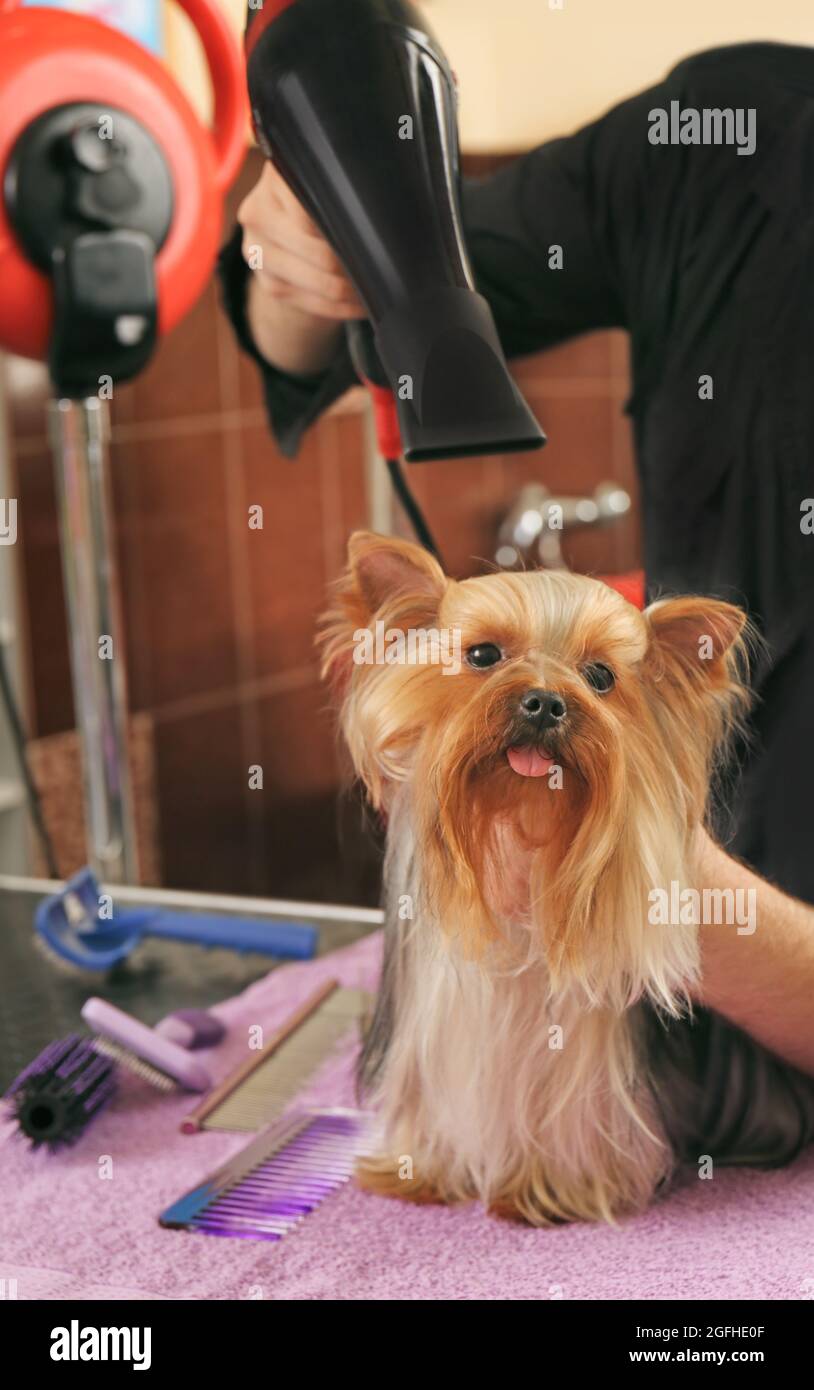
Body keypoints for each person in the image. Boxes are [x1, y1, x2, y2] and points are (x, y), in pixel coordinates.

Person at [218, 43, 814, 1082]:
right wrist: (300, 248)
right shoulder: (726, 127)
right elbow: (361, 298)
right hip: (654, 1026)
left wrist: (686, 910)